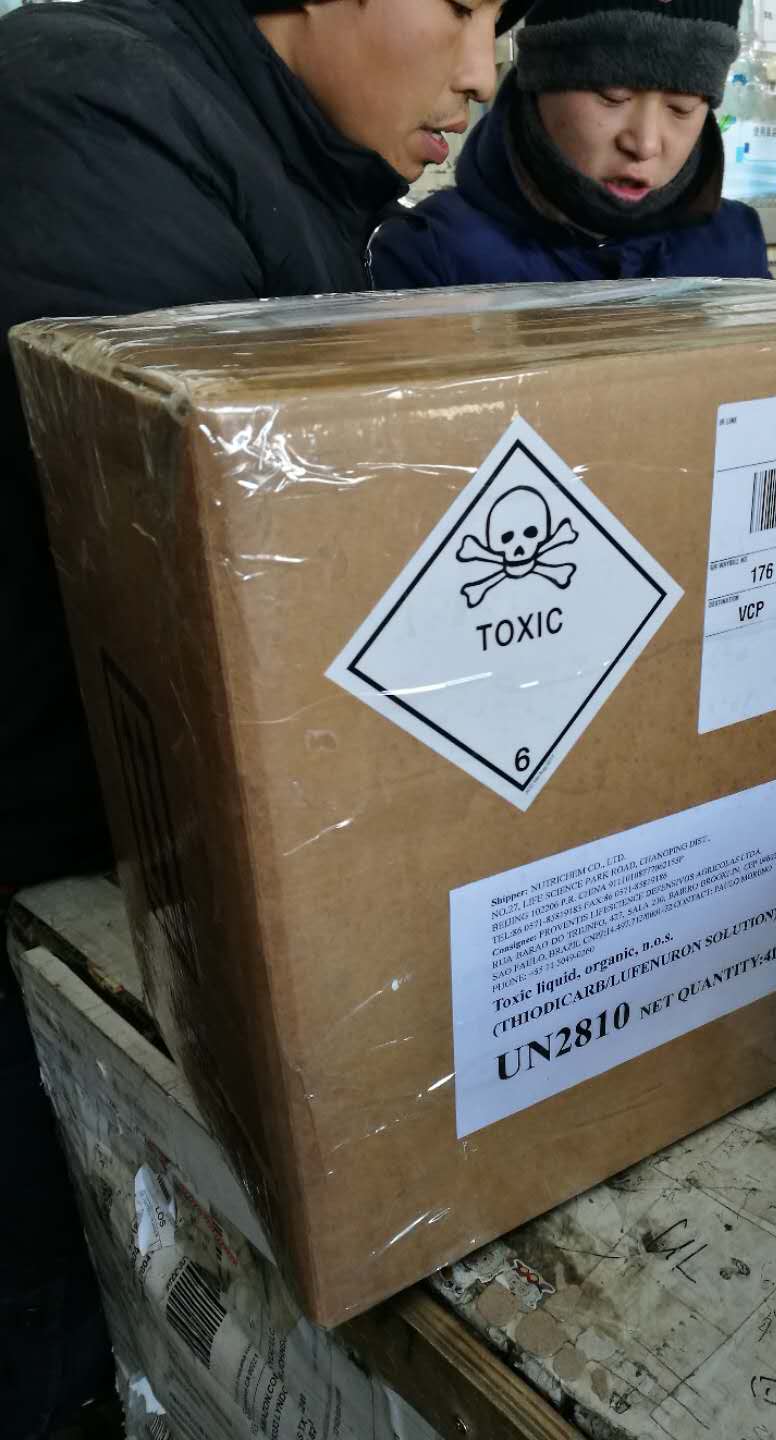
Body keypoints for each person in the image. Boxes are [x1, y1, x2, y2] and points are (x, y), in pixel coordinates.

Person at [0, 3, 504, 1433]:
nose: (480, 71)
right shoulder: (97, 114)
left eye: (503, 24)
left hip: (137, 841)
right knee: (51, 1310)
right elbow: (206, 565)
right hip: (49, 847)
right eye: (460, 6)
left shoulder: (304, 171)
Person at [372, 0, 770, 290]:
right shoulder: (431, 256)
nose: (645, 144)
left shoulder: (736, 246)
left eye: (681, 109)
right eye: (612, 97)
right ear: (541, 81)